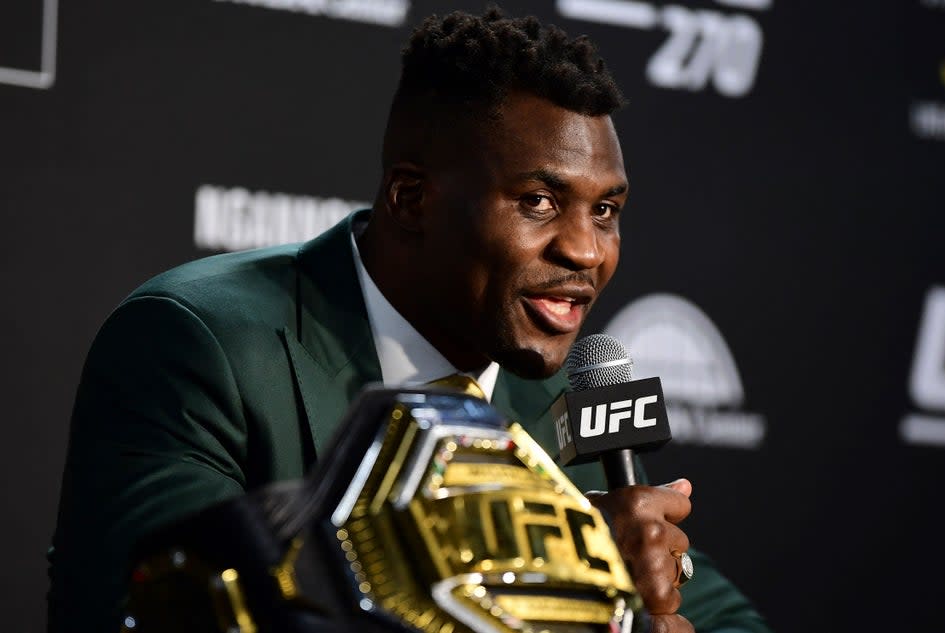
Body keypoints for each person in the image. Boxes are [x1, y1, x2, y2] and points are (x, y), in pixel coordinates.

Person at [48, 7, 771, 633]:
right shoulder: (197, 344)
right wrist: (552, 568)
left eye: (605, 210)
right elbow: (167, 612)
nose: (585, 249)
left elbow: (728, 617)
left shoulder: (560, 404)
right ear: (411, 200)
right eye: (539, 202)